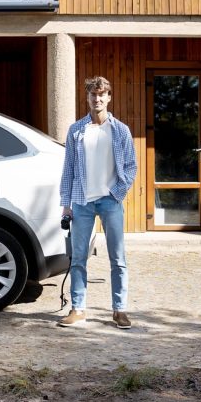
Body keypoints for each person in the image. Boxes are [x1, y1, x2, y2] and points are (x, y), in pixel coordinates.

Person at [57, 76, 137, 329]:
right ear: (88, 97)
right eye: (93, 94)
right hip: (82, 201)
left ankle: (120, 310)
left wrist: (117, 192)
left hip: (110, 201)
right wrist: (66, 204)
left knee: (118, 258)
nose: (97, 99)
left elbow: (131, 166)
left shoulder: (120, 130)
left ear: (109, 97)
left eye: (102, 94)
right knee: (78, 258)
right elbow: (68, 169)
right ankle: (78, 309)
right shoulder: (76, 130)